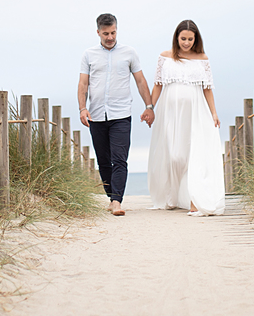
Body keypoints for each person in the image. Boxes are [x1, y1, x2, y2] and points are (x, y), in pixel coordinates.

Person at [78, 13, 155, 216]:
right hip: (96, 115)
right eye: (105, 34)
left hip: (121, 114)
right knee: (103, 160)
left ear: (116, 30)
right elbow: (83, 83)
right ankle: (111, 196)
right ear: (98, 32)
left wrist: (149, 106)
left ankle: (117, 201)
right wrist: (82, 108)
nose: (110, 37)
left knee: (119, 159)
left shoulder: (129, 53)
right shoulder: (88, 54)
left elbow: (140, 80)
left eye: (113, 32)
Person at [146, 20, 225, 216]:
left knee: (193, 152)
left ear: (196, 39)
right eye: (183, 38)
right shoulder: (165, 57)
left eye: (190, 39)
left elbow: (207, 89)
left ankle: (194, 200)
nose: (187, 43)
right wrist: (150, 107)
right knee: (174, 154)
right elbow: (157, 85)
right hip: (169, 112)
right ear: (176, 37)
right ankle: (171, 196)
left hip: (195, 111)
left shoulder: (202, 58)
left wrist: (214, 112)